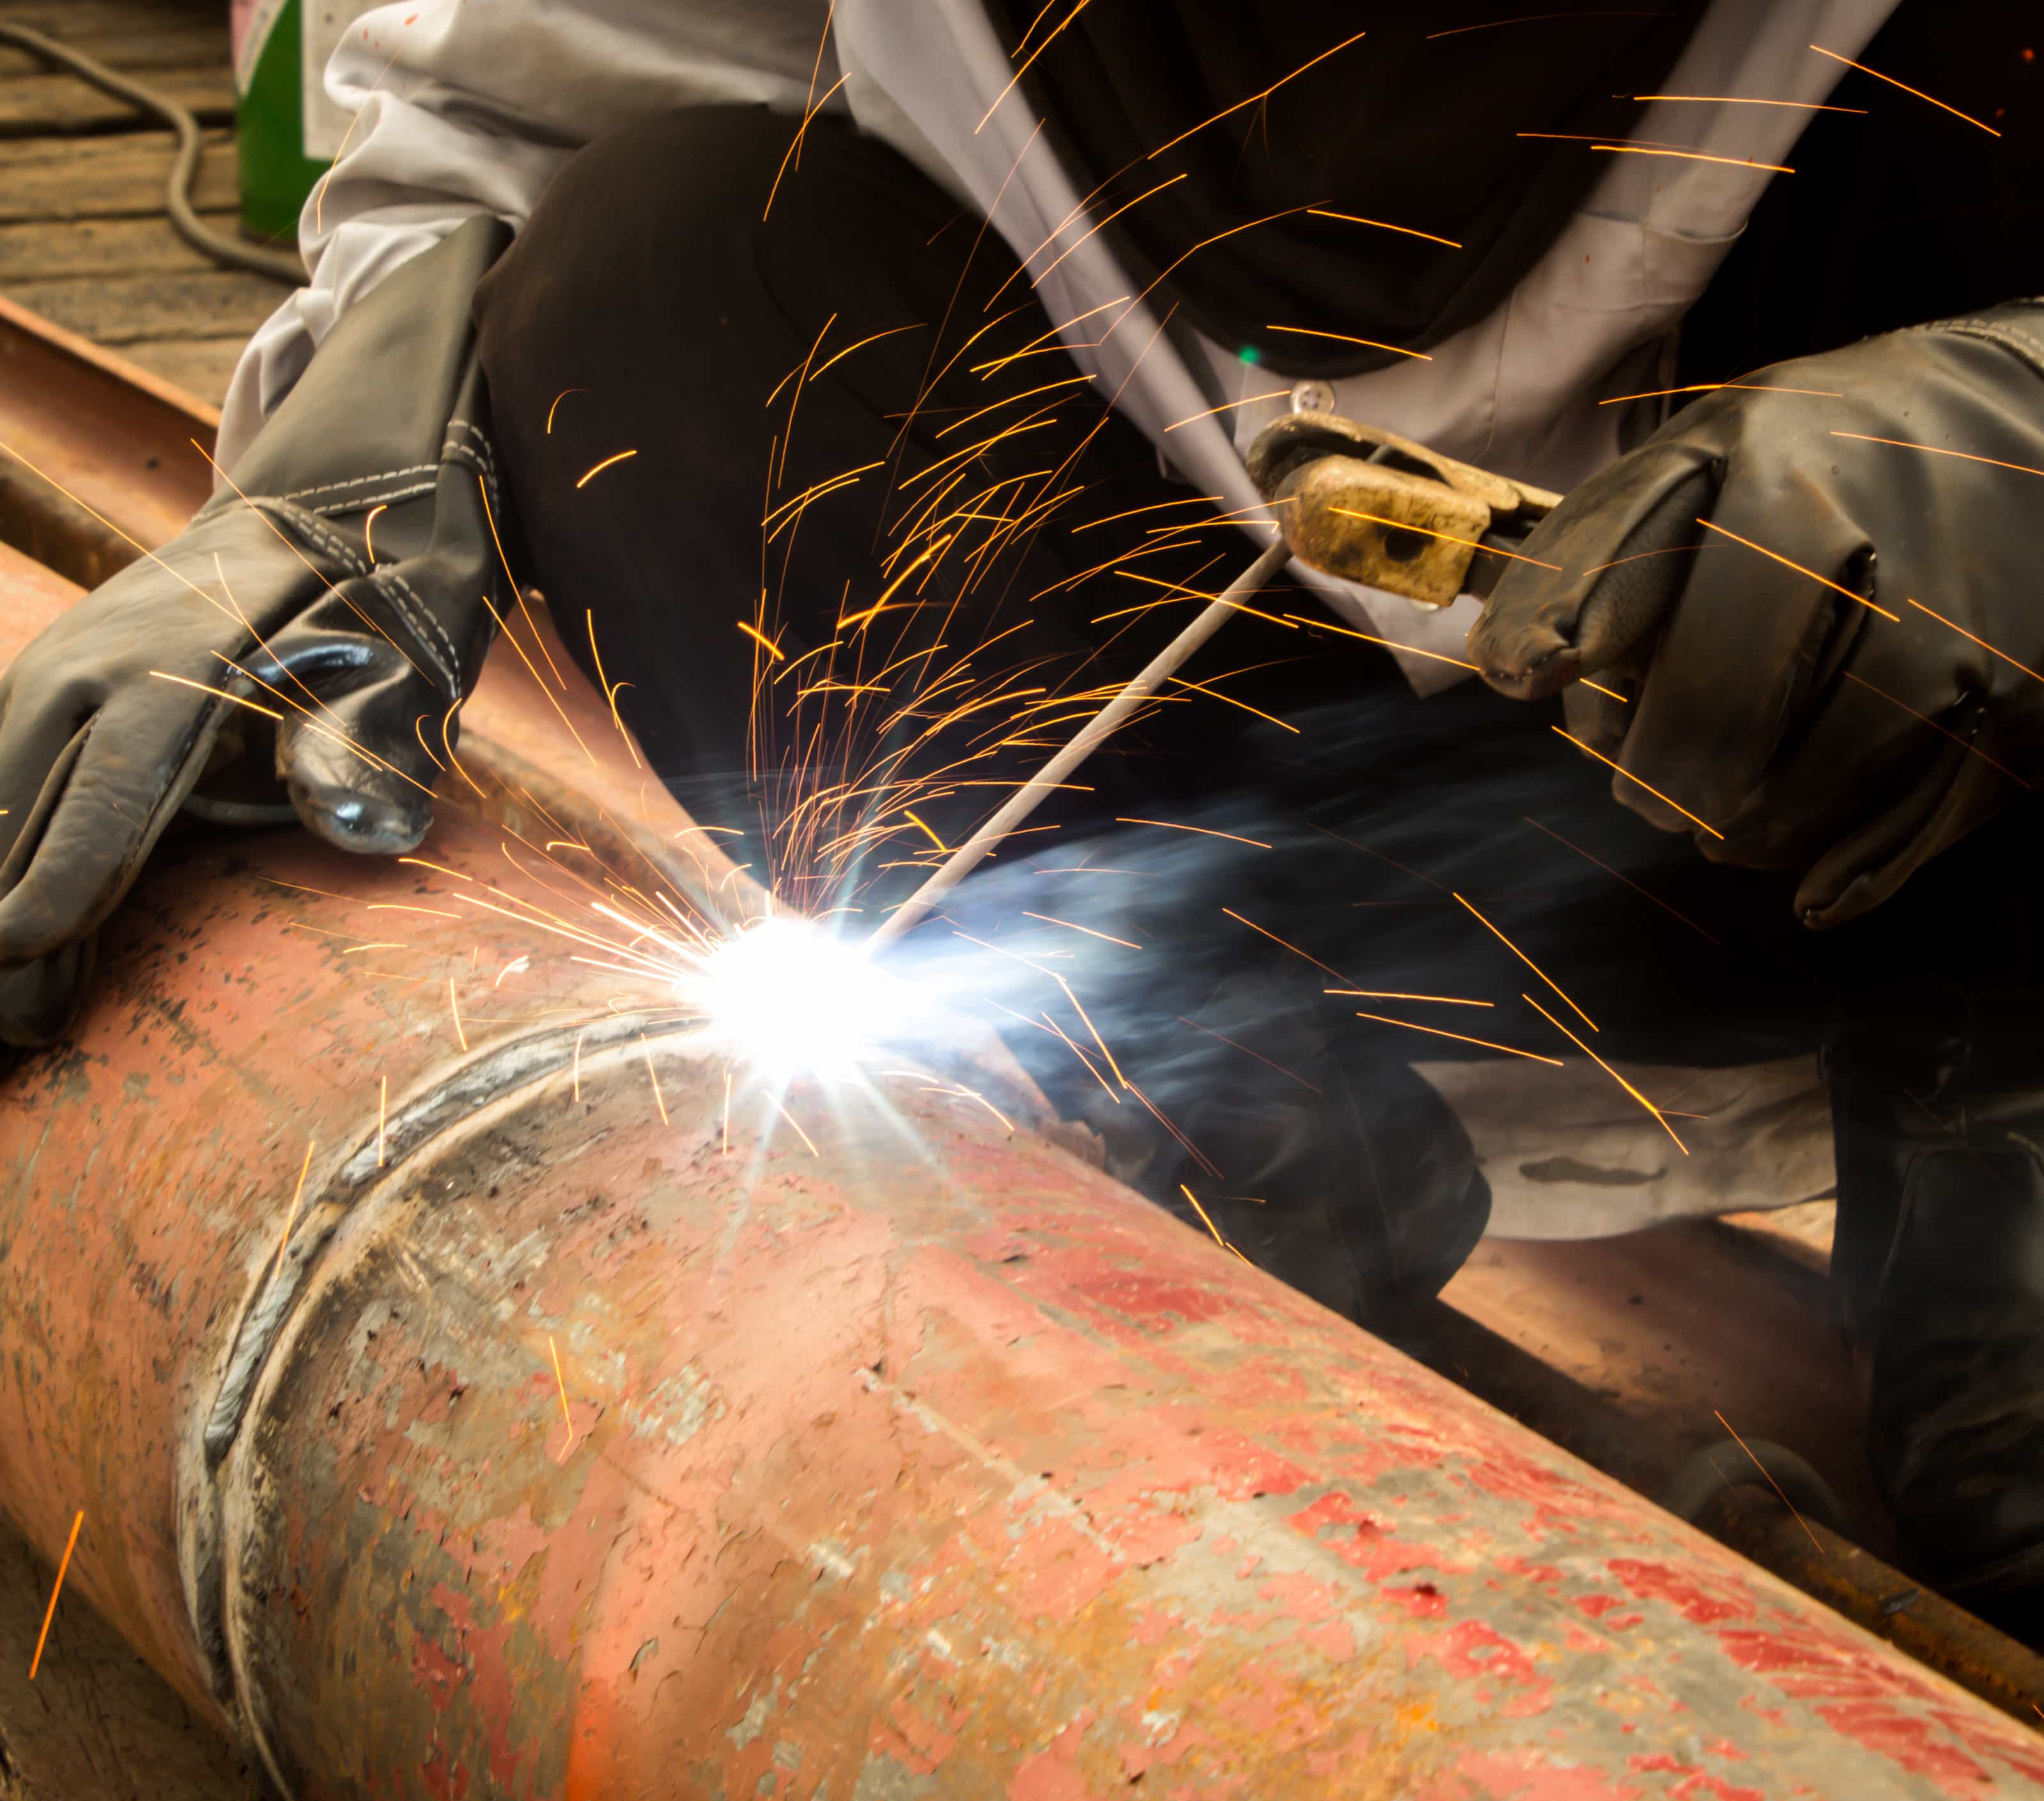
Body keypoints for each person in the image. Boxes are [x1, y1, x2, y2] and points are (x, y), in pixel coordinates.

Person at [2, 2, 2041, 1616]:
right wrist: (361, 441)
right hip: (1234, 736)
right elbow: (517, 148)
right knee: (658, 264)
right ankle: (1175, 1043)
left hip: (1874, 770)